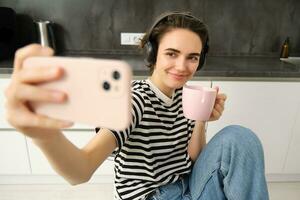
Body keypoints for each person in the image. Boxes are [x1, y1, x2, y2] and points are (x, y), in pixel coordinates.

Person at [4, 11, 269, 200]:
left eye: (192, 58)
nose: (181, 66)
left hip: (188, 184)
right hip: (154, 196)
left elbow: (195, 159)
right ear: (152, 54)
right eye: (171, 54)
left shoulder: (185, 95)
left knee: (239, 136)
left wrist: (200, 118)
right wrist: (44, 136)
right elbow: (80, 171)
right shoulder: (133, 101)